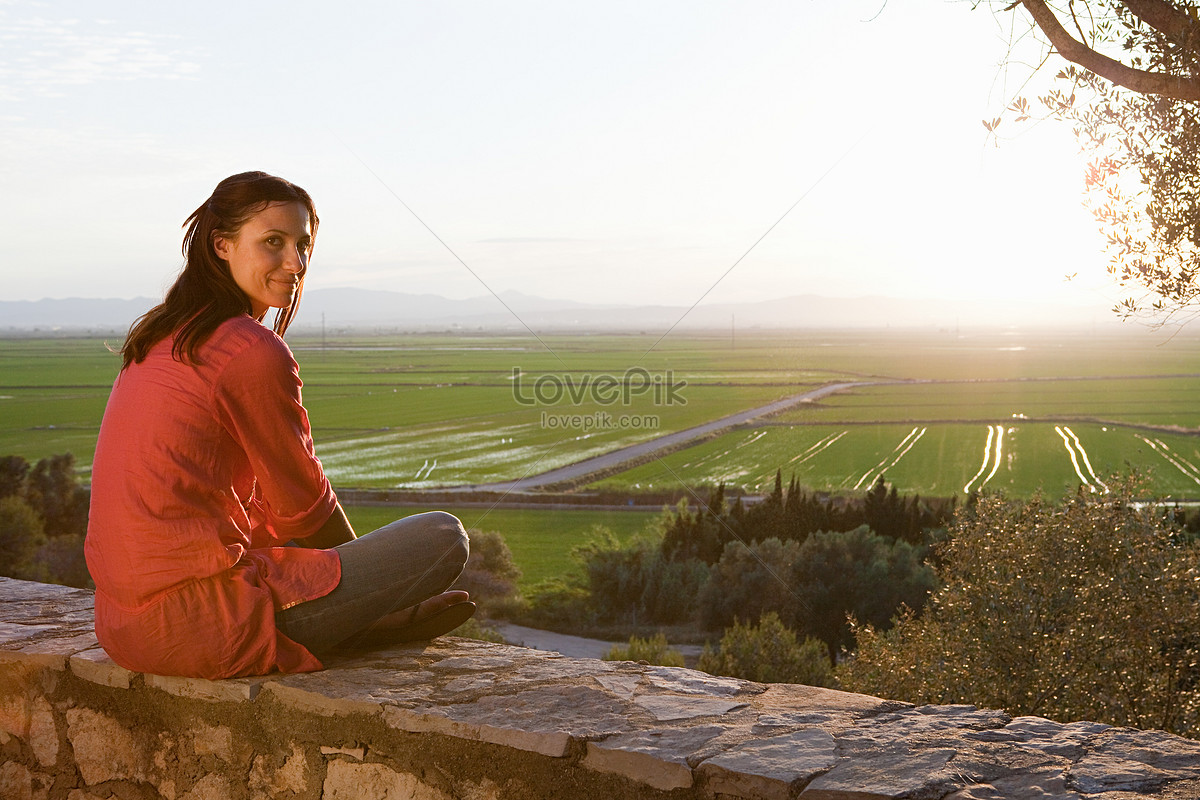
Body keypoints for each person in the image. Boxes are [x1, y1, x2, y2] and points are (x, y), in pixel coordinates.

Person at [85, 171, 474, 680]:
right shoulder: (248, 350)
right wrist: (372, 592)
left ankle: (353, 624)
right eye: (273, 242)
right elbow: (304, 507)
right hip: (203, 625)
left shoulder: (160, 338)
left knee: (278, 545)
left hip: (121, 625)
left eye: (302, 245)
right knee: (444, 537)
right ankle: (364, 625)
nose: (295, 264)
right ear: (221, 245)